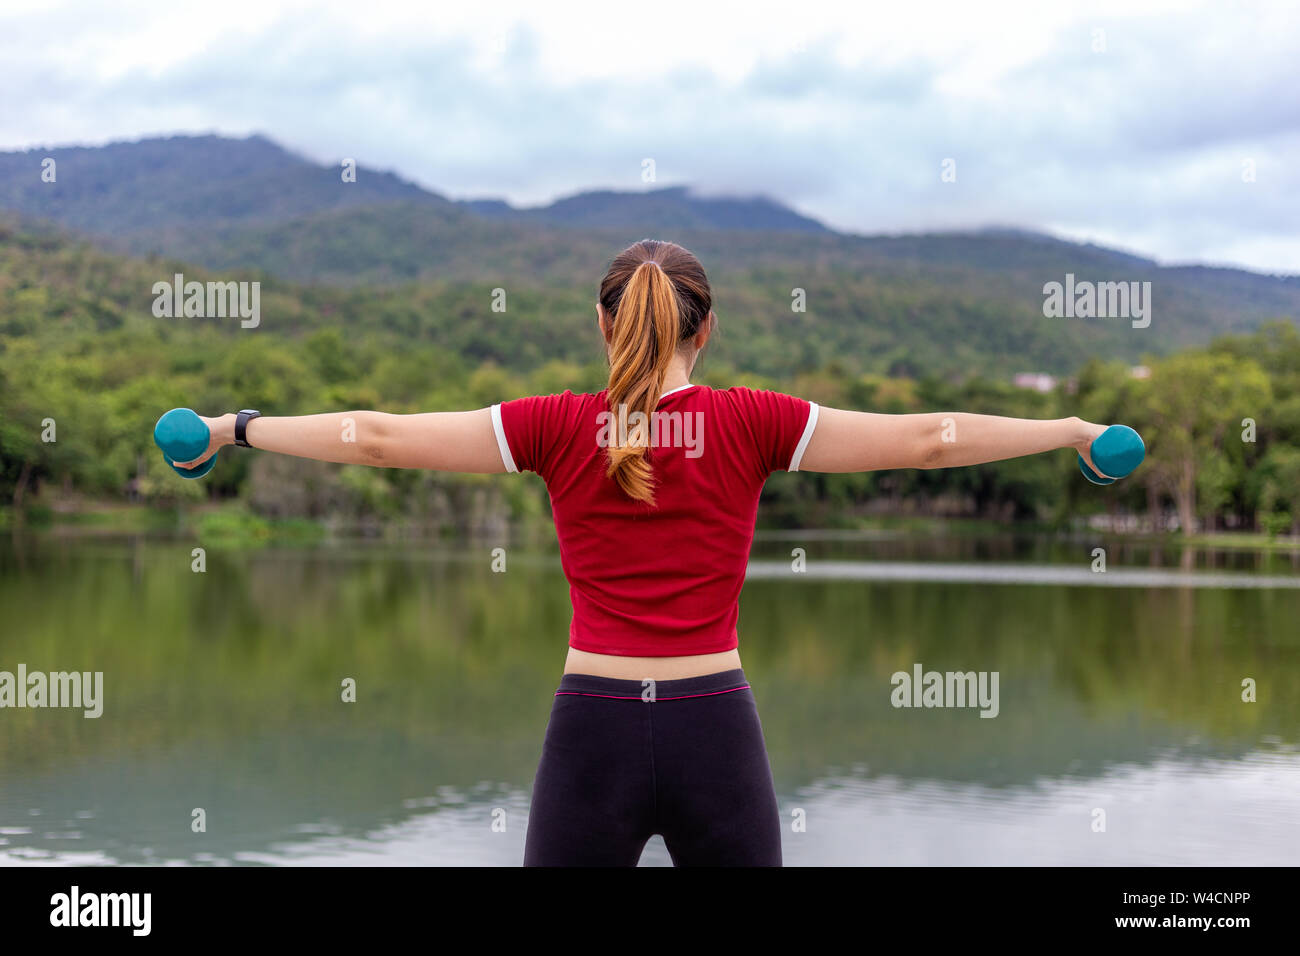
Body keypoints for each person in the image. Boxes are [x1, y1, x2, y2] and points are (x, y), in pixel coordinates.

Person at [175, 239, 1114, 866]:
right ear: (706, 329)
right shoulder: (755, 422)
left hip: (594, 729)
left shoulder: (551, 426)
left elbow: (372, 437)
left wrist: (235, 428)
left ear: (601, 324)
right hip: (715, 724)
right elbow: (931, 441)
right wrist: (1071, 429)